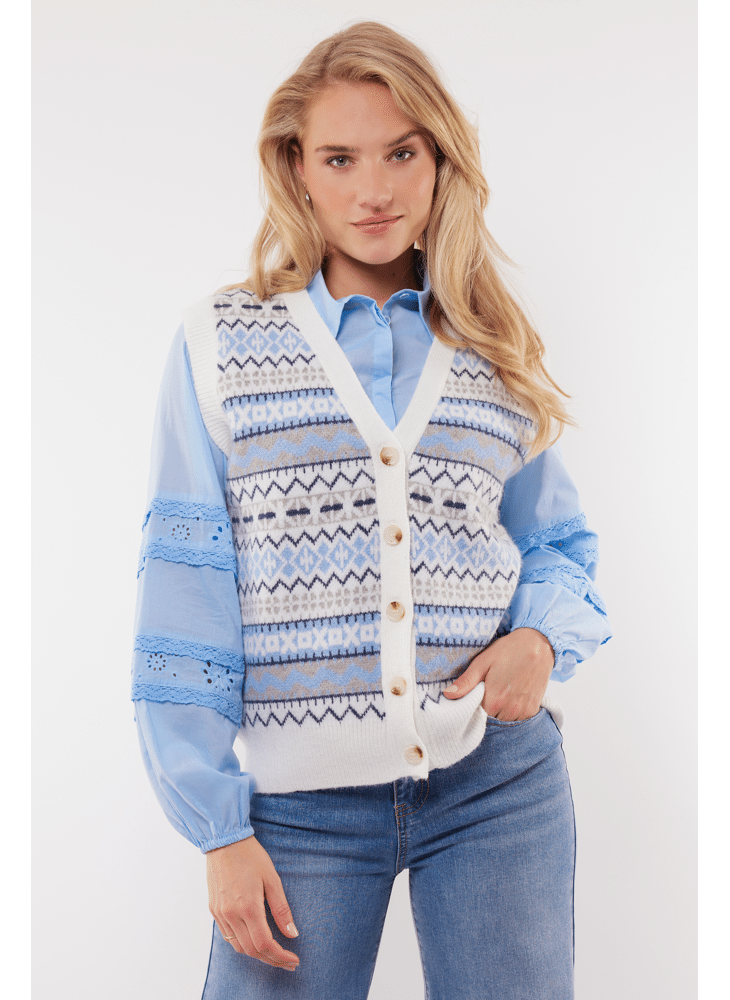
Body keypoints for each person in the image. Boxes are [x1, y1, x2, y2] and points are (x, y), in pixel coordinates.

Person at [131, 21, 612, 1000]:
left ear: (440, 162)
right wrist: (217, 827)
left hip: (496, 785)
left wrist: (540, 642)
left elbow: (557, 543)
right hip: (297, 809)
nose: (374, 190)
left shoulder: (492, 348)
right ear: (297, 171)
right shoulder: (222, 344)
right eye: (340, 158)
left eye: (401, 153)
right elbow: (185, 595)